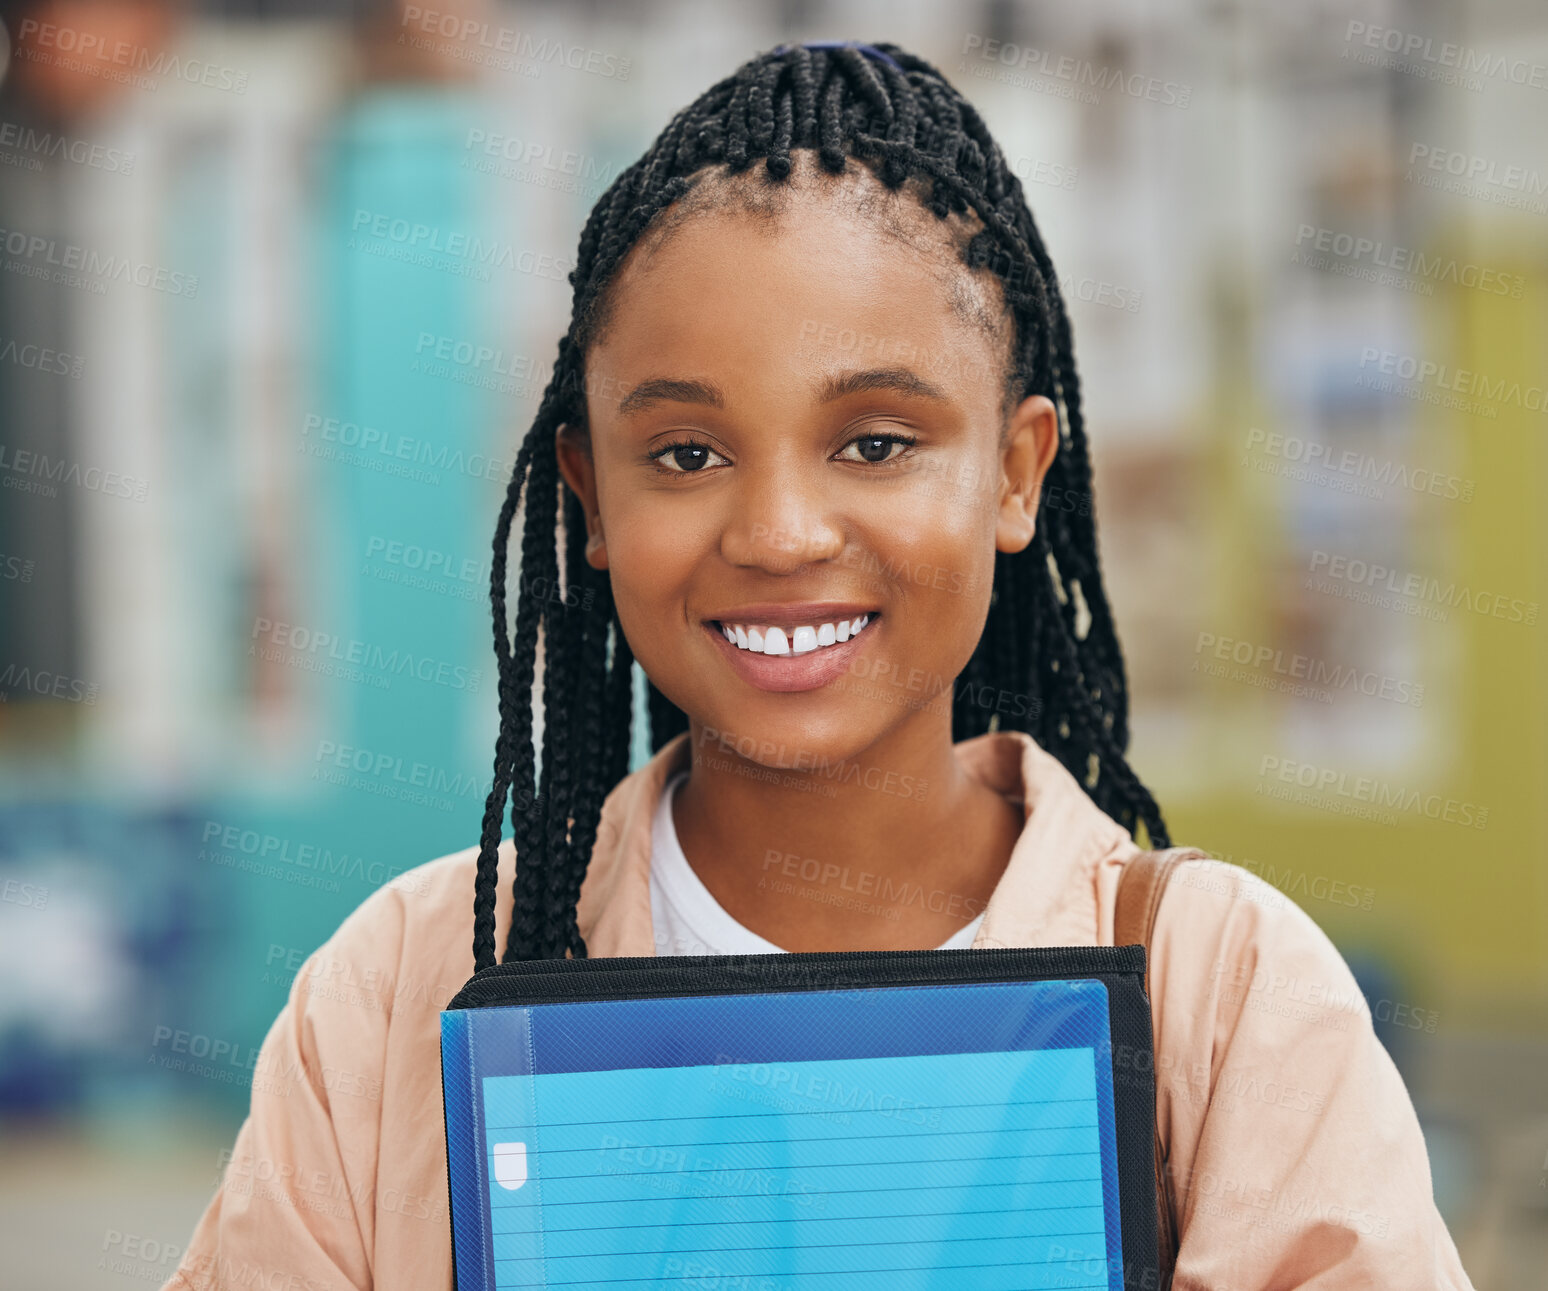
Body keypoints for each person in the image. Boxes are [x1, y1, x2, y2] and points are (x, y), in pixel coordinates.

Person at [164, 41, 1474, 1291]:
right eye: (686, 454)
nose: (782, 533)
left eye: (878, 441)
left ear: (1017, 472)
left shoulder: (1224, 992)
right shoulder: (400, 986)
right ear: (593, 499)